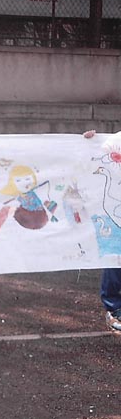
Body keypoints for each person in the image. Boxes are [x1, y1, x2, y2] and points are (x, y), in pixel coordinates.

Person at [83, 129, 121, 332]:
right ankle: (114, 309)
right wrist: (91, 142)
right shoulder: (117, 141)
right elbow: (99, 153)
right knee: (116, 258)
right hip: (117, 210)